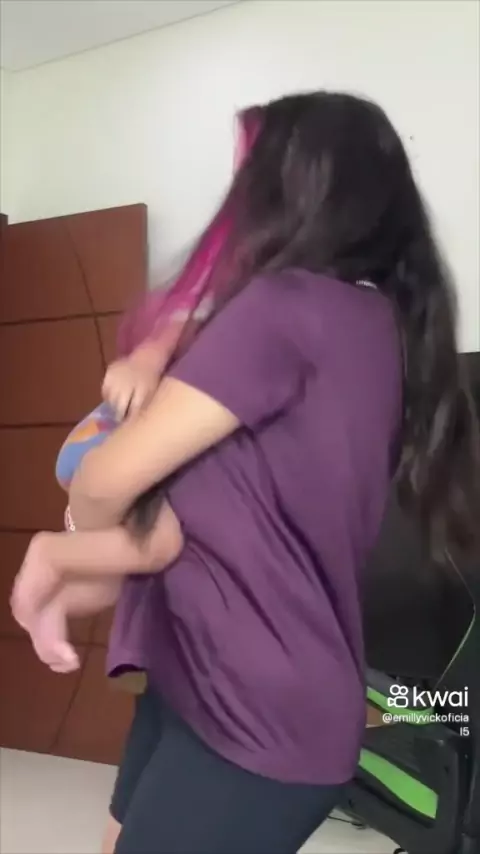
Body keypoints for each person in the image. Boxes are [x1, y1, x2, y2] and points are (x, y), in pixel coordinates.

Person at [11, 92, 480, 854]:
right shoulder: (368, 323)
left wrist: (74, 545)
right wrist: (150, 358)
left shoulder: (281, 310)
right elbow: (190, 521)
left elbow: (104, 482)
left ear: (295, 188)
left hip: (251, 708)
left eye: (247, 172)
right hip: (215, 681)